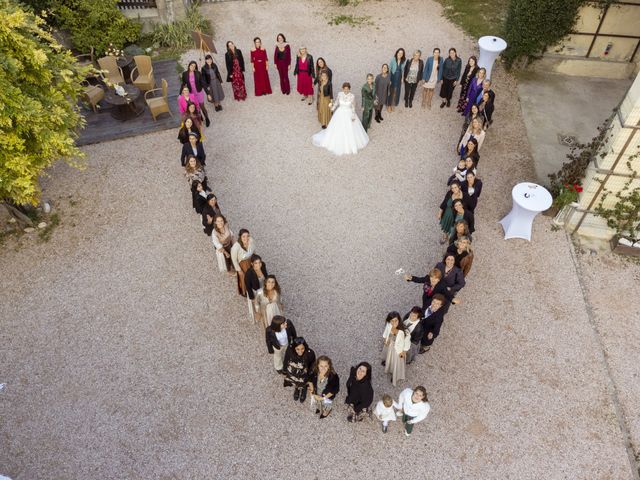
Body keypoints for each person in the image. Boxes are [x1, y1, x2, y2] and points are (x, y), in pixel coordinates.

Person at [312, 82, 369, 155]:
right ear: (342, 89)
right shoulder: (340, 94)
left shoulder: (352, 96)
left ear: (349, 89)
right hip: (339, 113)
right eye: (345, 89)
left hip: (348, 113)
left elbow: (353, 106)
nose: (346, 90)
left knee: (350, 129)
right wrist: (332, 108)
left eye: (347, 89)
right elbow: (336, 103)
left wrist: (353, 115)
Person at [283, 337, 316, 404]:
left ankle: (304, 390)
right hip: (293, 373)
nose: (300, 351)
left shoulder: (310, 353)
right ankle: (297, 389)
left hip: (304, 374)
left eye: (302, 348)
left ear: (305, 347)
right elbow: (286, 359)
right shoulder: (289, 350)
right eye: (297, 349)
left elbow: (313, 365)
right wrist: (284, 370)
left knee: (304, 383)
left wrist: (310, 376)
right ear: (294, 348)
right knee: (295, 381)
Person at [382, 311, 410, 386]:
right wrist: (385, 339)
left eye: (396, 320)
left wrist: (403, 352)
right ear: (389, 321)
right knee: (389, 357)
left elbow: (407, 343)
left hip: (398, 350)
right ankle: (388, 366)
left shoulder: (405, 331)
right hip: (390, 345)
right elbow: (386, 332)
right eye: (392, 321)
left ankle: (395, 375)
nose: (394, 323)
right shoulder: (388, 325)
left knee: (396, 363)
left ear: (399, 320)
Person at [181, 61, 210, 127]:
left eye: (194, 66)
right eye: (191, 65)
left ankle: (207, 118)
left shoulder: (198, 73)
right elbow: (183, 83)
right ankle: (200, 118)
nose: (193, 67)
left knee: (202, 107)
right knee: (196, 108)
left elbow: (203, 83)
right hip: (192, 94)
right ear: (189, 66)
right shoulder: (185, 74)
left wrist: (208, 93)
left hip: (199, 93)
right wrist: (181, 93)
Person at [230, 229, 255, 296]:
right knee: (244, 278)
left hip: (250, 261)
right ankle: (245, 291)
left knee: (253, 275)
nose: (246, 238)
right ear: (240, 237)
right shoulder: (236, 247)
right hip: (243, 264)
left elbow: (254, 250)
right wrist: (239, 270)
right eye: (244, 236)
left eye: (247, 236)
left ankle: (253, 287)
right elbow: (234, 260)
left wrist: (255, 259)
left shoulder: (251, 241)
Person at [244, 254, 268, 322]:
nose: (259, 264)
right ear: (252, 264)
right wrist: (252, 298)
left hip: (264, 288)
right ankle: (258, 314)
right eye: (256, 263)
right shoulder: (249, 273)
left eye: (259, 262)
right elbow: (248, 286)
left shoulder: (263, 265)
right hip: (256, 291)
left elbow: (266, 275)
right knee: (258, 306)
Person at [387, 48, 406, 112]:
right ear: (397, 53)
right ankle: (389, 105)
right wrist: (389, 79)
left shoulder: (403, 61)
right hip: (393, 77)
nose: (400, 54)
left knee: (396, 91)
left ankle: (393, 104)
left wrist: (402, 78)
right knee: (391, 91)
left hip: (399, 78)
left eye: (401, 53)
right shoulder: (393, 59)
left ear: (403, 55)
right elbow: (389, 70)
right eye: (399, 52)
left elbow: (403, 71)